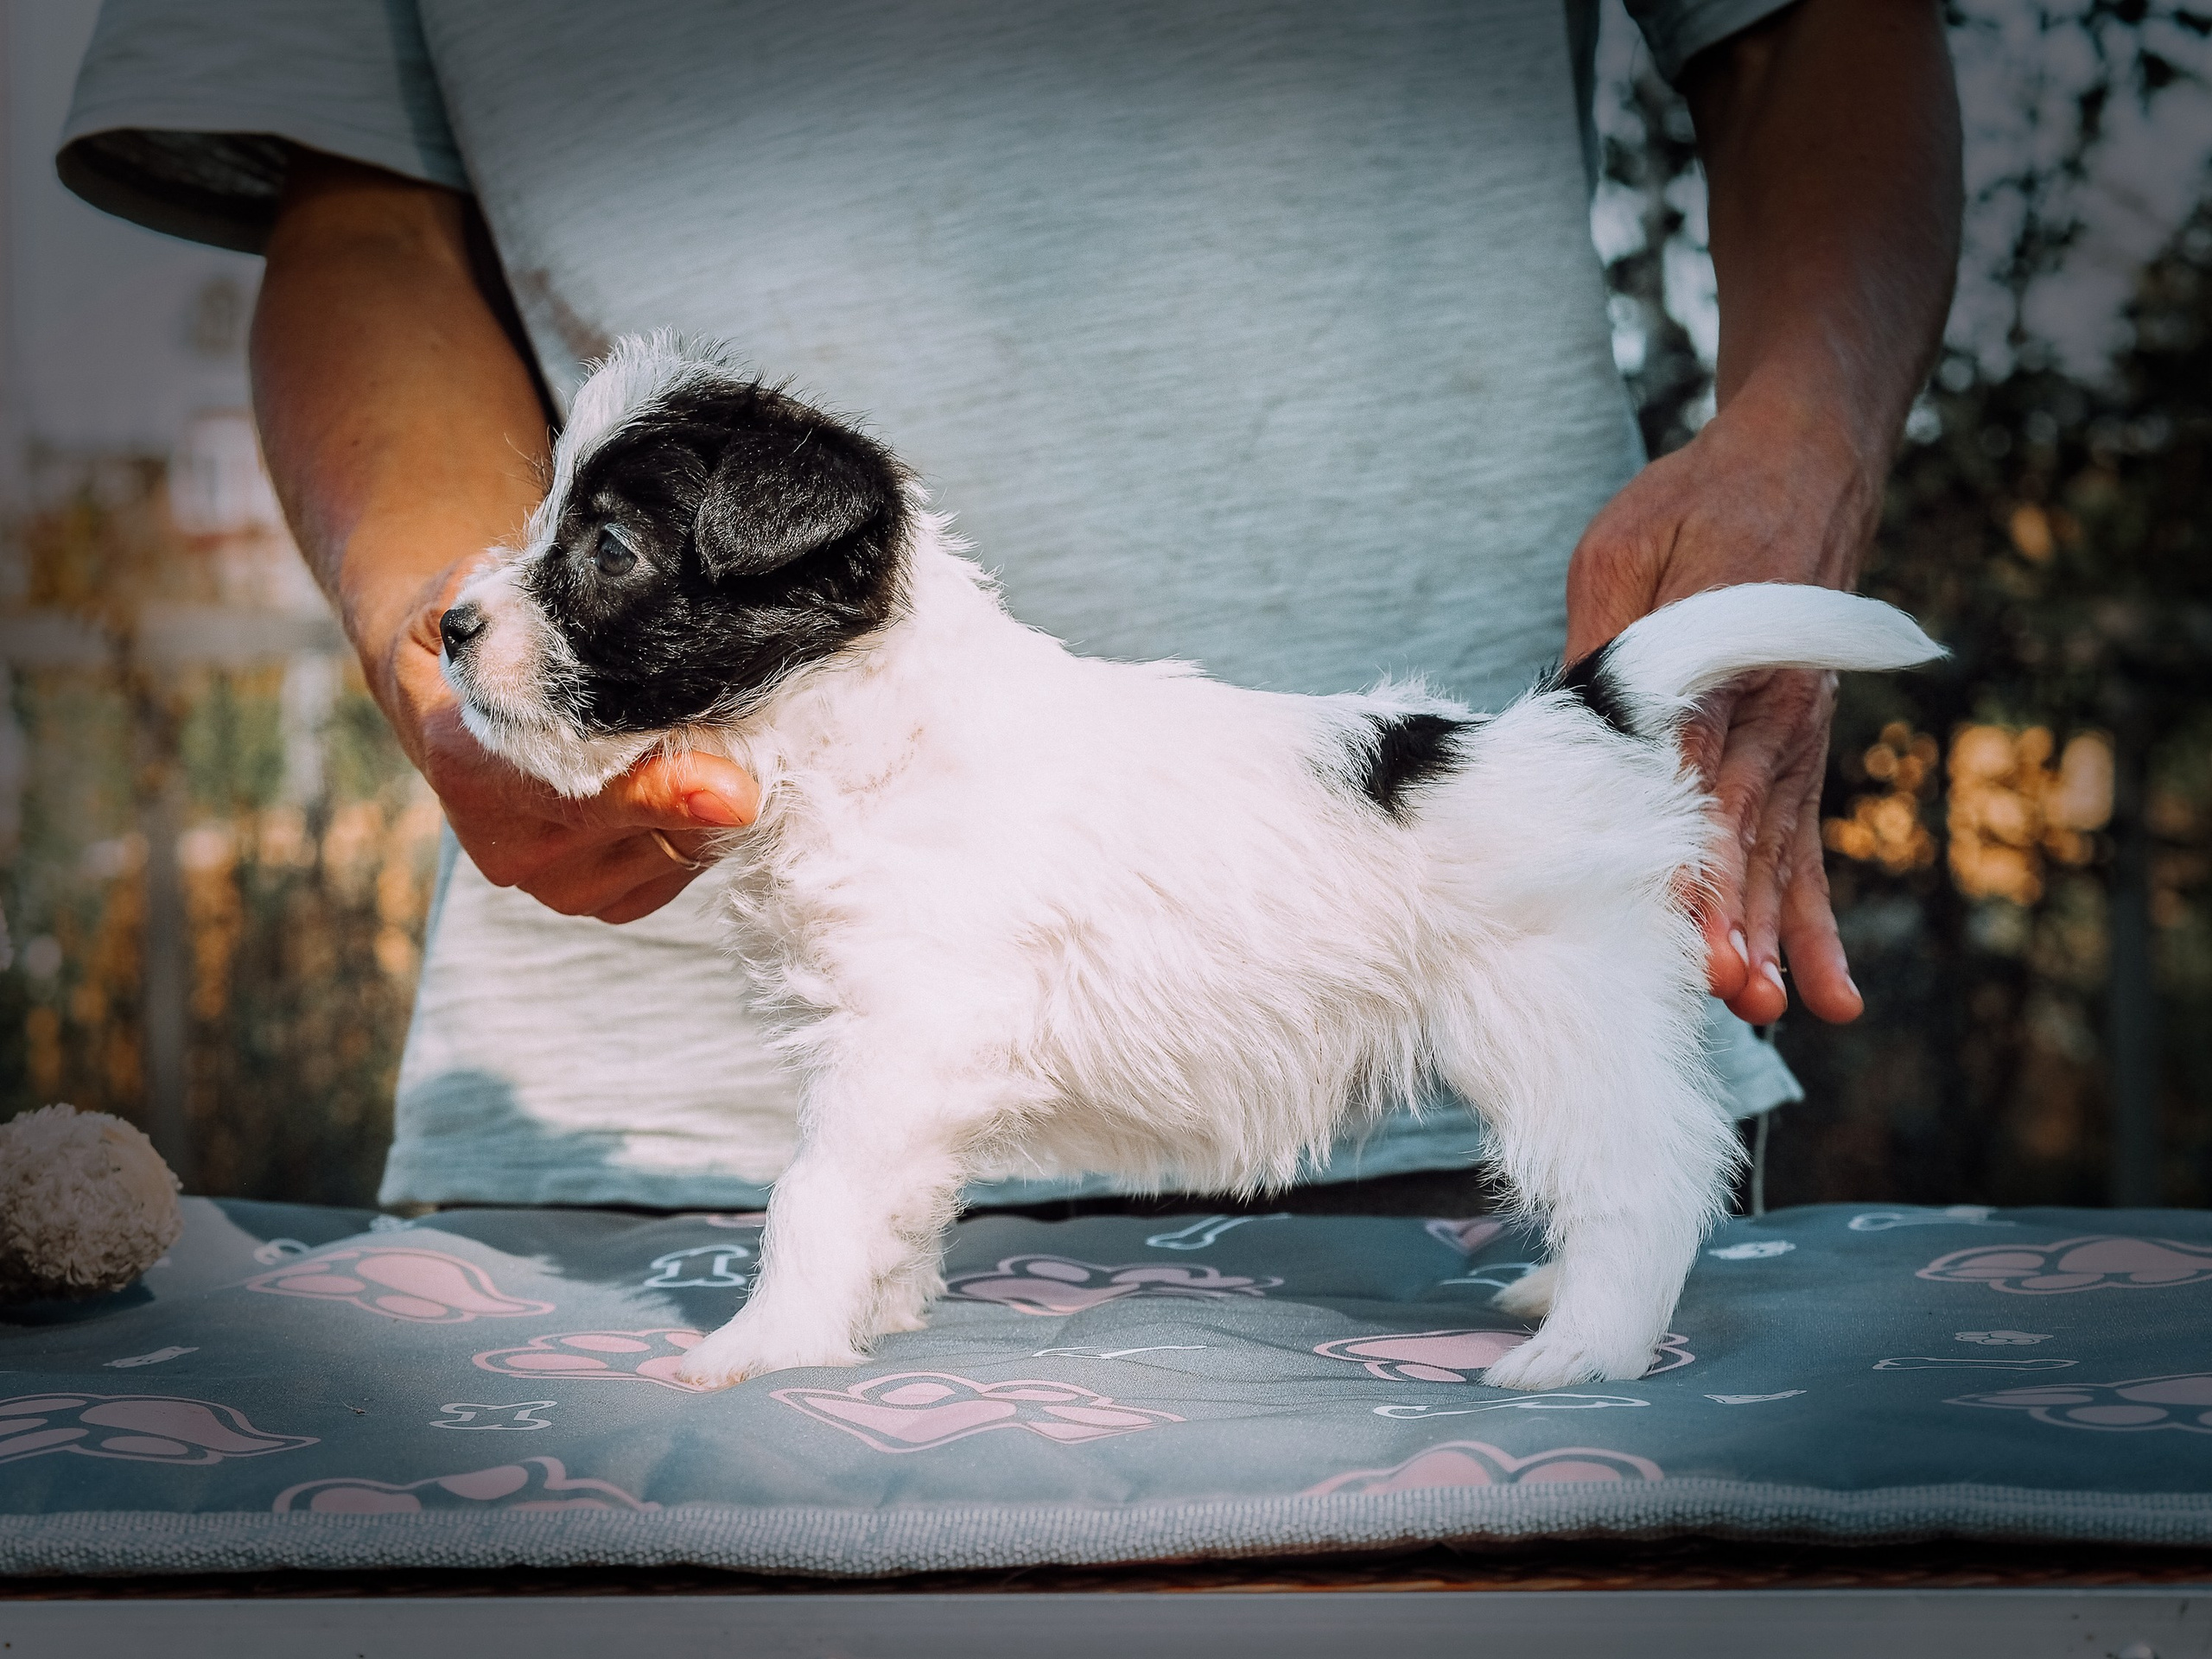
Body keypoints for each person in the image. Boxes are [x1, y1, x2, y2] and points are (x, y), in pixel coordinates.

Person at [60, 0, 1961, 1214]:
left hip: (1427, 983)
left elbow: (1817, 29)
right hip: (619, 1115)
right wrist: (438, 626)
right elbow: (361, 214)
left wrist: (1801, 431)